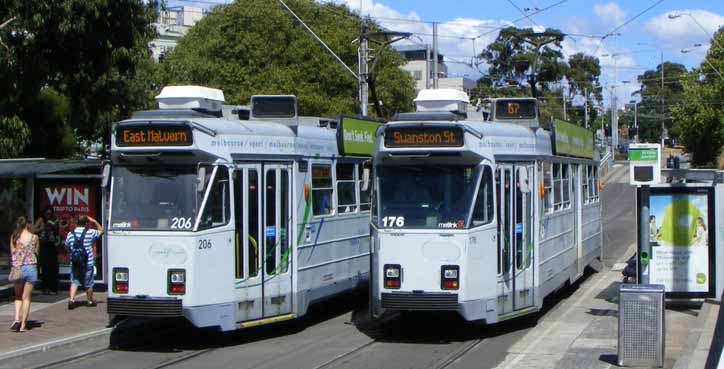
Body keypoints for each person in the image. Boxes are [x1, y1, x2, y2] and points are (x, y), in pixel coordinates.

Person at [64, 215, 103, 309]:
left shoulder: (70, 234)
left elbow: (66, 245)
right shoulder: (90, 232)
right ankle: (89, 301)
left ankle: (71, 300)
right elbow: (102, 231)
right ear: (86, 223)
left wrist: (71, 253)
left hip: (75, 262)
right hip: (87, 262)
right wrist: (94, 220)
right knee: (88, 283)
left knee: (74, 281)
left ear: (77, 223)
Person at [10, 216, 39, 332]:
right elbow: (37, 252)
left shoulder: (14, 236)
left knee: (18, 296)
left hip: (18, 268)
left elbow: (12, 252)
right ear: (27, 224)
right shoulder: (34, 237)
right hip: (31, 267)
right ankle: (23, 324)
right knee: (26, 298)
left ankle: (16, 319)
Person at [34, 208, 60, 294]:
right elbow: (33, 230)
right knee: (45, 267)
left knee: (53, 267)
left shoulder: (54, 219)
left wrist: (55, 225)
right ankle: (45, 288)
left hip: (52, 245)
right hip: (43, 245)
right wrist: (42, 228)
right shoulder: (41, 220)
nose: (48, 215)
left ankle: (53, 287)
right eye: (47, 214)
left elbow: (57, 231)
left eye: (50, 213)